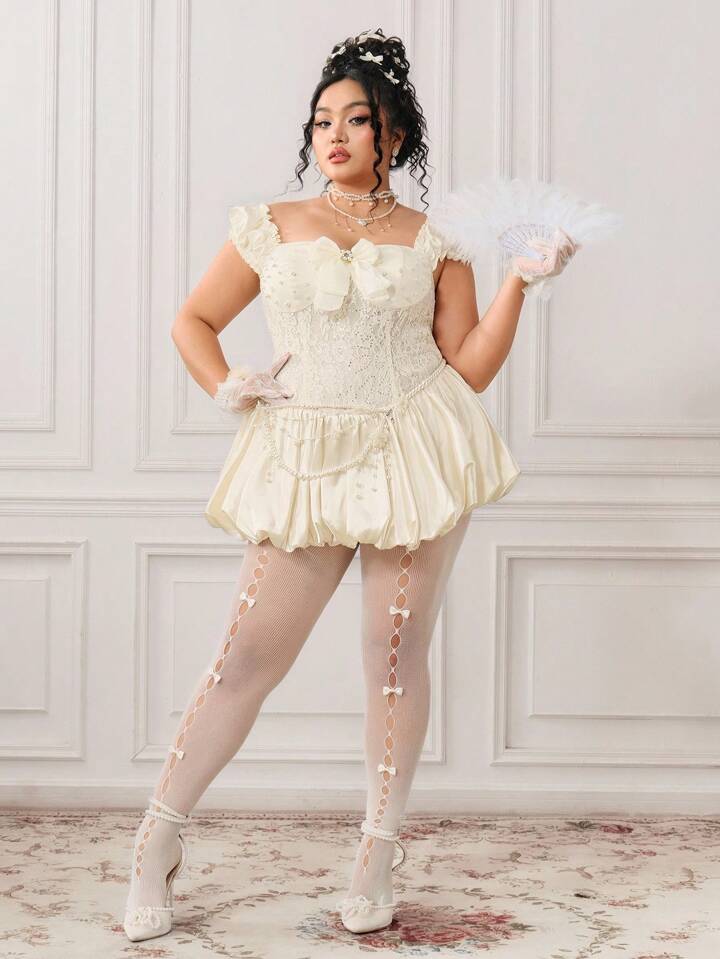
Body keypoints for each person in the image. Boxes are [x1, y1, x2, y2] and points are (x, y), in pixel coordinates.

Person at [122, 26, 572, 943]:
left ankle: (376, 851)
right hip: (304, 456)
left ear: (391, 135)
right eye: (322, 119)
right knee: (246, 660)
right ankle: (156, 842)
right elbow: (194, 320)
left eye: (356, 119)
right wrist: (228, 383)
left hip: (415, 448)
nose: (334, 134)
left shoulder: (439, 241)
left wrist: (520, 284)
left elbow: (468, 366)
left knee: (392, 656)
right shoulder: (271, 224)